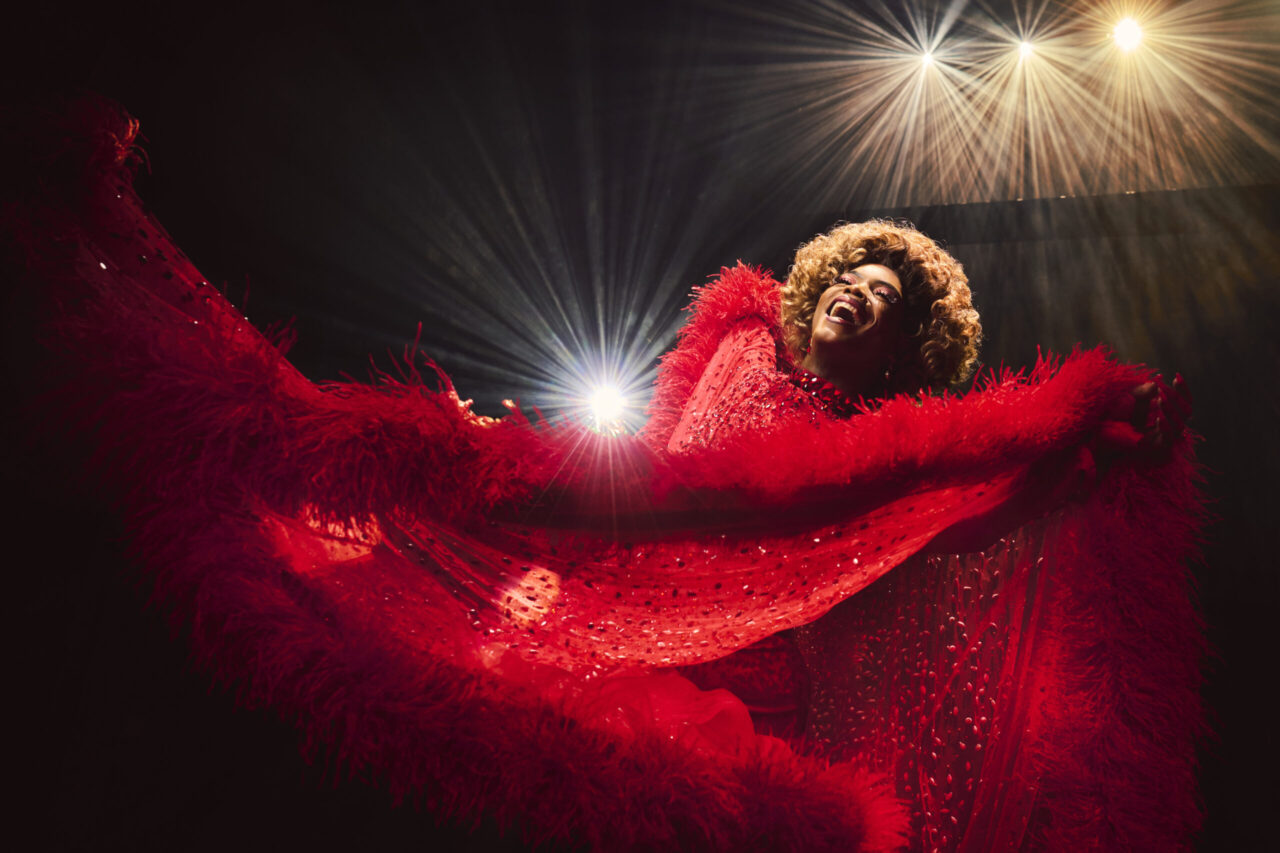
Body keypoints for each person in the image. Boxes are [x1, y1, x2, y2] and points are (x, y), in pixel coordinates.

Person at [8, 99, 1203, 851]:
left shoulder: (879, 472)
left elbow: (935, 516)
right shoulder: (730, 340)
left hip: (741, 678)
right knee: (341, 482)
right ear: (813, 283)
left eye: (887, 305)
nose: (858, 294)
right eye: (852, 275)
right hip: (613, 608)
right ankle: (101, 242)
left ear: (900, 355)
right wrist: (509, 462)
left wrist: (1075, 433)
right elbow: (650, 472)